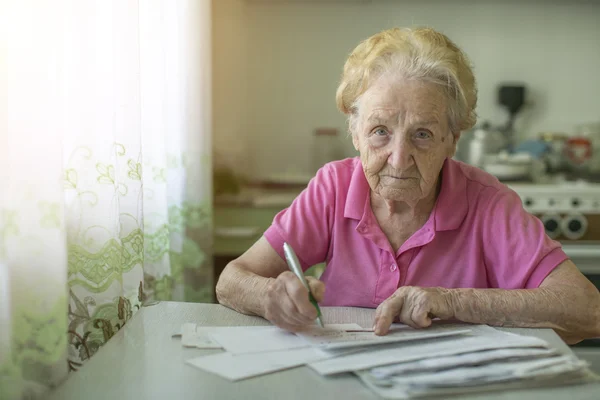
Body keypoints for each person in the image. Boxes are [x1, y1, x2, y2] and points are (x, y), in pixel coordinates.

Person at [216, 27, 600, 344]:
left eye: (422, 134)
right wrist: (272, 298)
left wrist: (451, 302)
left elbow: (587, 310)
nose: (398, 158)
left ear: (452, 139)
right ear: (354, 131)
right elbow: (231, 280)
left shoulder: (488, 204)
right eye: (380, 132)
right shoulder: (334, 186)